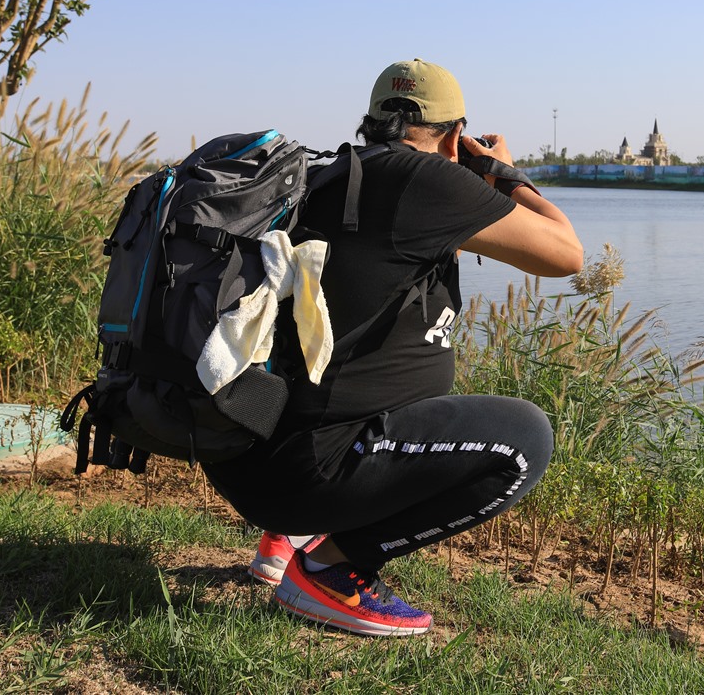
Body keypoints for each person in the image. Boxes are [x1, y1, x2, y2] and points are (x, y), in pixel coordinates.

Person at [202, 58, 583, 636]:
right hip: (309, 471)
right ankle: (331, 569)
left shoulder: (331, 175)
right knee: (525, 441)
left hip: (246, 454)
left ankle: (287, 538)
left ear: (372, 121)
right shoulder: (430, 181)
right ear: (456, 135)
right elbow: (566, 254)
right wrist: (502, 171)